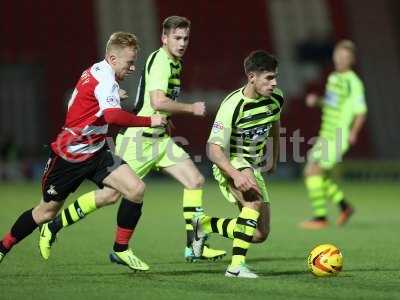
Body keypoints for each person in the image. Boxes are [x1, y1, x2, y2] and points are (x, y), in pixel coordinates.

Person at [38, 16, 226, 265]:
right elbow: (158, 101)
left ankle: (195, 246)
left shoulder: (174, 63)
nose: (182, 43)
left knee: (195, 181)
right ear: (164, 38)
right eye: (177, 38)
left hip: (160, 140)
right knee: (109, 196)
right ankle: (53, 225)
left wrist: (165, 117)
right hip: (139, 141)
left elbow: (153, 103)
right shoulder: (162, 62)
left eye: (186, 38)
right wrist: (192, 109)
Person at [0, 32, 167, 270]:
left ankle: (121, 250)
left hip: (97, 151)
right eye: (129, 63)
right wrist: (150, 121)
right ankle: (3, 247)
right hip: (69, 156)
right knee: (45, 212)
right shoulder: (106, 81)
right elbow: (113, 116)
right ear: (112, 58)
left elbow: (87, 97)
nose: (132, 68)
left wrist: (112, 95)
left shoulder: (98, 70)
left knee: (135, 189)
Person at [192, 50, 283, 278]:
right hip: (230, 162)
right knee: (253, 204)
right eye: (269, 78)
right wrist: (235, 173)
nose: (274, 83)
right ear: (252, 77)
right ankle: (235, 267)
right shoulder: (232, 106)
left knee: (260, 234)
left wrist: (272, 156)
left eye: (275, 77)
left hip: (250, 165)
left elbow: (274, 123)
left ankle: (203, 225)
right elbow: (213, 149)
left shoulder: (276, 98)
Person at [299, 40, 367, 229]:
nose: (340, 59)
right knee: (312, 173)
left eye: (345, 57)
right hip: (325, 133)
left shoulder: (354, 83)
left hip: (337, 135)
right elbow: (331, 103)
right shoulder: (333, 78)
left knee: (313, 171)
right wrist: (317, 101)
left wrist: (353, 133)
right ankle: (345, 207)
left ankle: (320, 217)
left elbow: (361, 111)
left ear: (352, 60)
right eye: (338, 55)